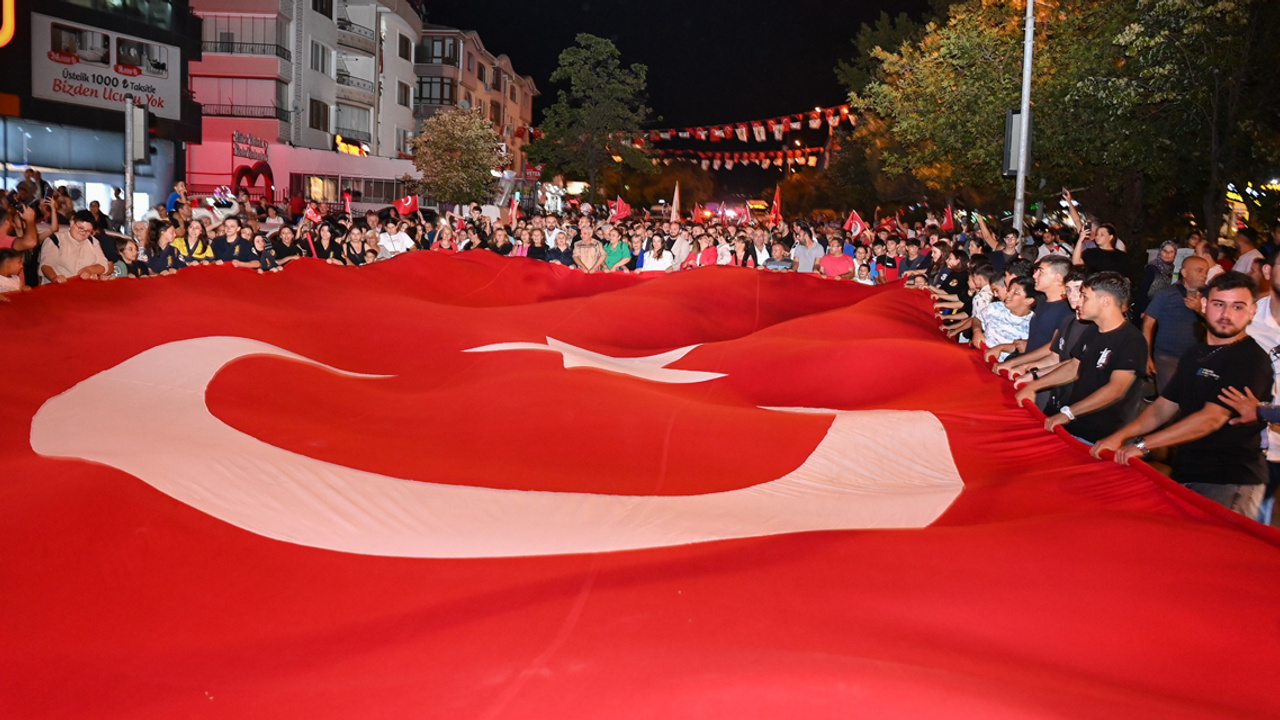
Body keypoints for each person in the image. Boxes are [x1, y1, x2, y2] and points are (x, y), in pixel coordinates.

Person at [1094, 272, 1273, 516]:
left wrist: (1144, 444)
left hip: (1229, 480)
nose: (1227, 315)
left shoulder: (1251, 360)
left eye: (1238, 307)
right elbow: (1163, 406)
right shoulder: (1195, 353)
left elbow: (1212, 418)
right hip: (1187, 472)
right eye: (1219, 304)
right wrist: (1120, 436)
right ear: (1205, 304)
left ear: (1252, 312)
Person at [1016, 272, 1147, 442]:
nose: (1079, 302)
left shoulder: (1131, 340)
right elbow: (1073, 367)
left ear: (1105, 301)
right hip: (1076, 425)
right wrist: (1034, 385)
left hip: (1103, 436)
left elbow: (1116, 389)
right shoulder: (1092, 330)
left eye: (1085, 297)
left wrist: (1069, 413)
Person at [1143, 255, 1211, 393]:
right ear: (1184, 272)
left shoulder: (1210, 297)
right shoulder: (1166, 294)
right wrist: (1146, 356)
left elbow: (1218, 326)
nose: (1204, 275)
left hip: (1198, 358)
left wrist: (1200, 310)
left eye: (1206, 271)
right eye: (1200, 270)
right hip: (1167, 357)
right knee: (1168, 399)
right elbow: (1147, 324)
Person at [39, 210, 110, 284]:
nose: (84, 233)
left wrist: (89, 270)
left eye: (88, 231)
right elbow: (46, 265)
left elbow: (103, 264)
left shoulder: (93, 242)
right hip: (59, 288)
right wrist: (54, 277)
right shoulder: (56, 240)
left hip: (83, 289)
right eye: (81, 228)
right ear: (72, 223)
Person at [1135, 241, 1179, 316]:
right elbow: (1143, 290)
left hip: (1162, 307)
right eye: (1165, 251)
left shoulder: (1173, 269)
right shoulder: (1152, 268)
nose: (1167, 254)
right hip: (1148, 307)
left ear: (1175, 255)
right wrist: (1143, 309)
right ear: (1160, 252)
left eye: (1171, 252)